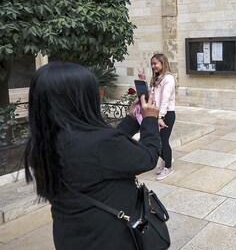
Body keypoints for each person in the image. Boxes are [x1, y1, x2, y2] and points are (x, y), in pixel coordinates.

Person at [23, 62, 161, 249]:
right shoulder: (100, 143)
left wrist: (130, 121)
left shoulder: (40, 143)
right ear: (79, 99)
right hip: (110, 237)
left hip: (69, 237)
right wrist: (150, 120)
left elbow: (99, 152)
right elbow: (148, 157)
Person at [139, 53, 177, 180]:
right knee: (158, 140)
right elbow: (151, 95)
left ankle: (168, 167)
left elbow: (165, 100)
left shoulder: (168, 79)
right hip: (157, 113)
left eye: (155, 63)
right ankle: (166, 160)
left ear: (163, 63)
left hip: (166, 114)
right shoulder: (157, 78)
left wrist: (160, 117)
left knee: (163, 141)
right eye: (152, 64)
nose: (153, 66)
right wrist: (143, 80)